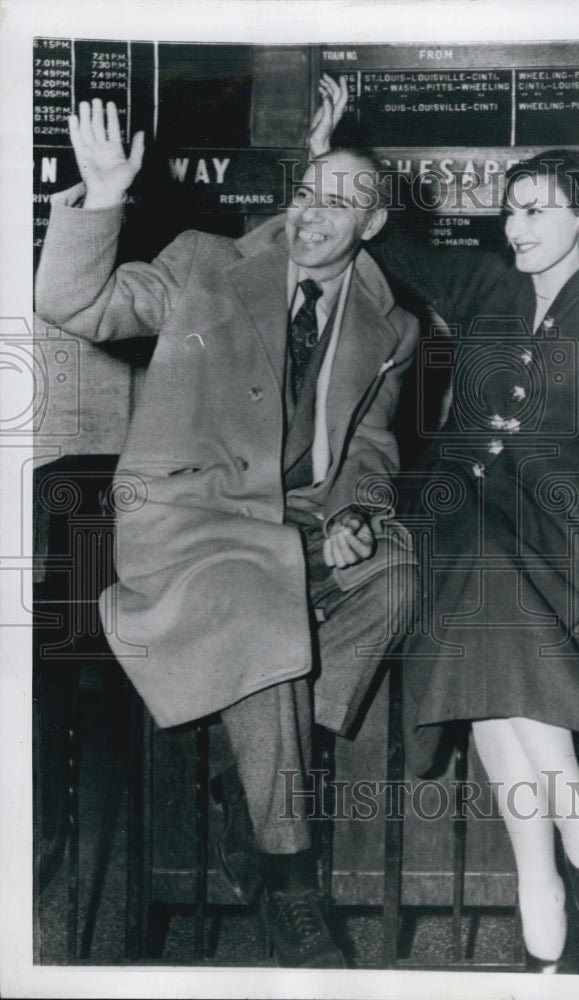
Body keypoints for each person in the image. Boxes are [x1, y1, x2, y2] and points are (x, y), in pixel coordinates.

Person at [310, 75, 579, 971]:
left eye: (537, 211)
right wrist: (327, 154)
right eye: (511, 210)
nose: (515, 227)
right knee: (475, 573)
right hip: (452, 503)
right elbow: (381, 229)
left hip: (555, 511)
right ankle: (578, 840)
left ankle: (542, 883)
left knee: (485, 628)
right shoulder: (481, 285)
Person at [35, 98, 420, 968]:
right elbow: (76, 302)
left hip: (304, 525)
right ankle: (289, 875)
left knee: (397, 579)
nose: (314, 212)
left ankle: (252, 774)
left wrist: (356, 513)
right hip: (190, 526)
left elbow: (370, 447)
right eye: (308, 191)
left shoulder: (391, 325)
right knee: (258, 601)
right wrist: (100, 198)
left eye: (341, 199)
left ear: (375, 221)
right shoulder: (205, 264)